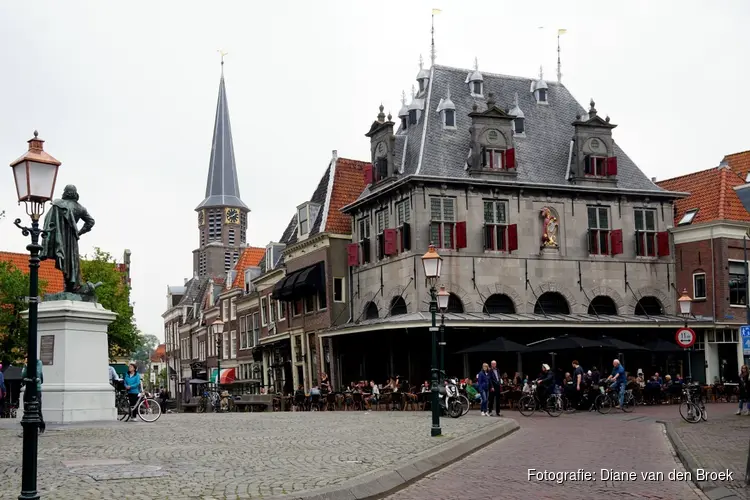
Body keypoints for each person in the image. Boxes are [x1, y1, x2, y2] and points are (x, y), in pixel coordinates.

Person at [21, 356, 45, 433]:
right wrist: (26, 366)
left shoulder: (38, 362)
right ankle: (27, 427)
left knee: (37, 407)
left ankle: (40, 426)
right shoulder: (27, 364)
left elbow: (37, 373)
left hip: (36, 388)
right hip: (28, 388)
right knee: (26, 407)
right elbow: (23, 375)